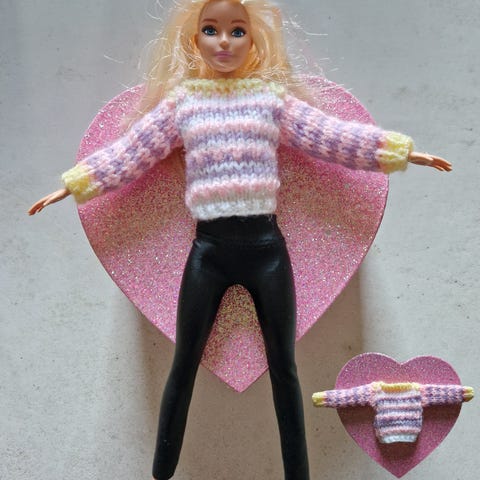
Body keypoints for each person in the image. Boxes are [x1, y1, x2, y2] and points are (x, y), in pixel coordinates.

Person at [28, 1, 451, 478]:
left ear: (254, 40)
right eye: (211, 30)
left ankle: (298, 472)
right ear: (195, 40)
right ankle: (162, 469)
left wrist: (401, 152)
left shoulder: (270, 101)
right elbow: (131, 153)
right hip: (208, 251)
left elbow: (332, 137)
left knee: (283, 366)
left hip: (267, 251)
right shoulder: (184, 104)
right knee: (184, 360)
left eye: (237, 31)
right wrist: (76, 184)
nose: (224, 41)